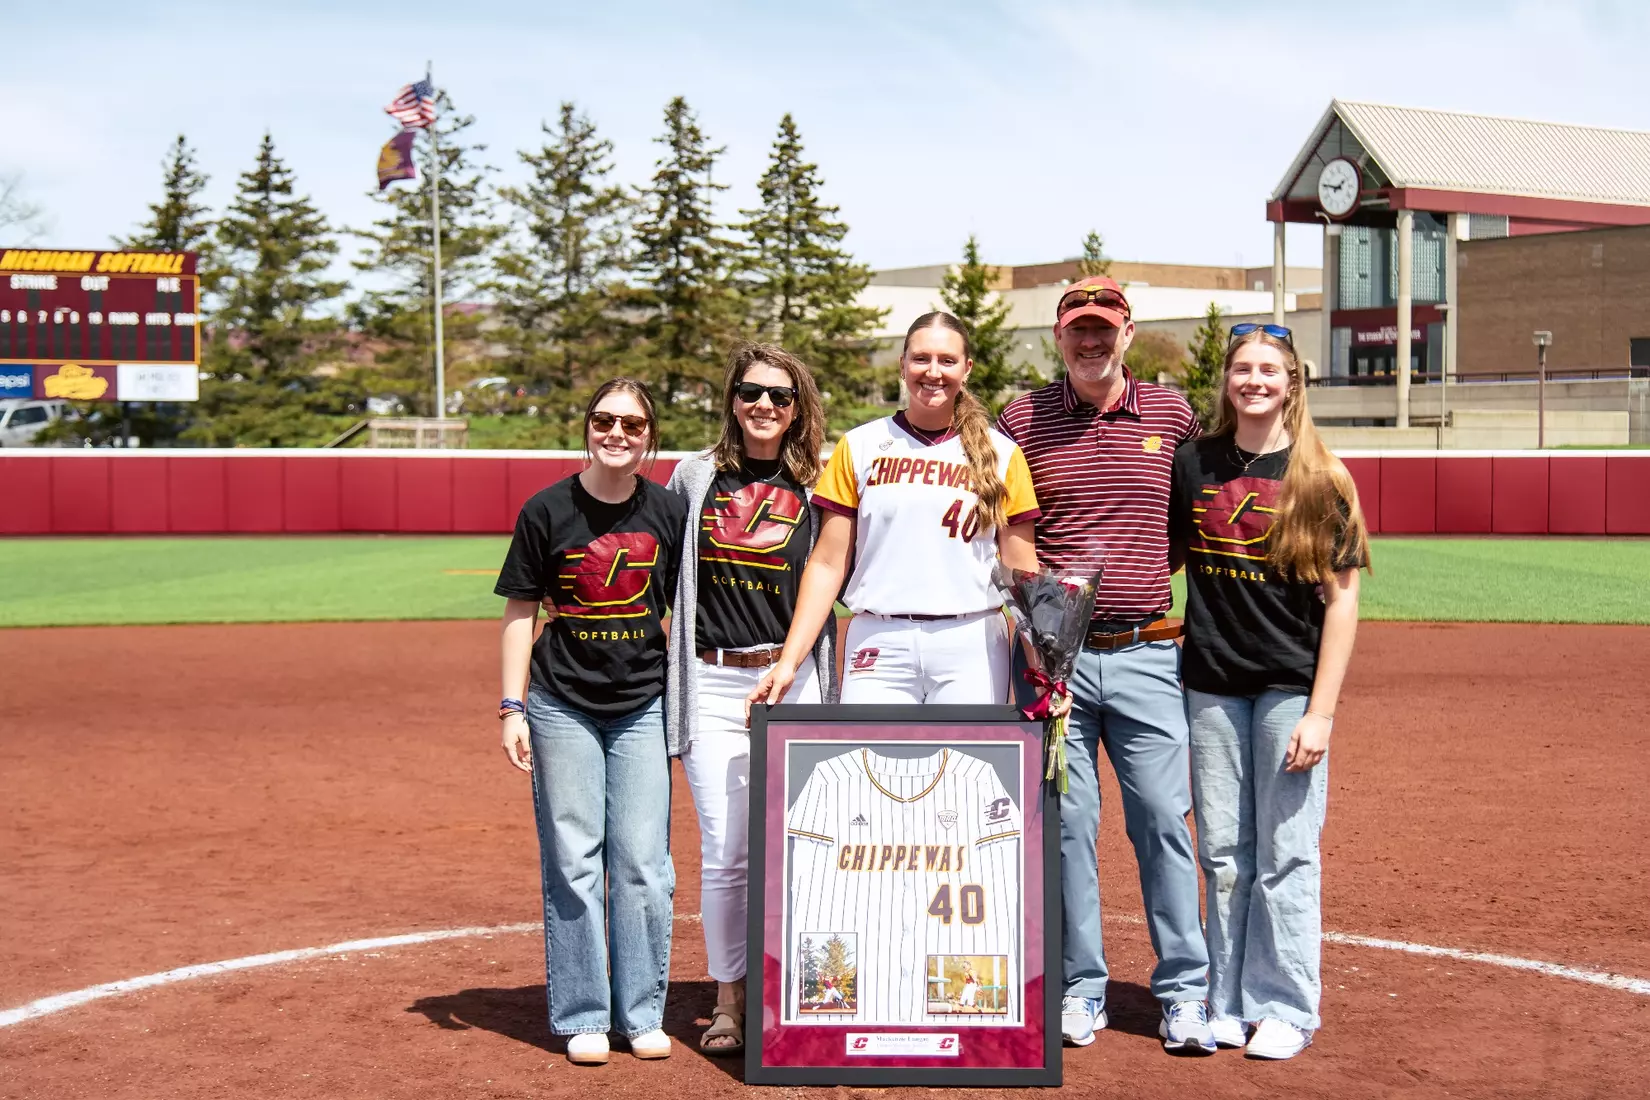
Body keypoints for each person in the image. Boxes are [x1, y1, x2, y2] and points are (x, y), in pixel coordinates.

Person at [995, 276, 1214, 1055]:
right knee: (1068, 828)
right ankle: (1082, 987)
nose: (1091, 342)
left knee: (1162, 819)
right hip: (1056, 660)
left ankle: (1185, 989)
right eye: (1077, 330)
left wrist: (1143, 579)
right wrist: (1037, 624)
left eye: (1104, 328)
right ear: (1058, 336)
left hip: (1148, 649)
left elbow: (1187, 526)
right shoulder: (1021, 418)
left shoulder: (1172, 412)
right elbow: (1009, 530)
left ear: (1127, 331)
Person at [1169, 323, 1368, 1060]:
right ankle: (1224, 999)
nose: (1254, 380)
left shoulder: (1322, 475)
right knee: (1223, 852)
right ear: (1227, 379)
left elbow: (1341, 602)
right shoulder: (1194, 463)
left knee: (1286, 853)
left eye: (1269, 370)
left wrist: (1321, 714)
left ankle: (1285, 1005)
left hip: (1288, 686)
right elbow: (1164, 560)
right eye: (1242, 368)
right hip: (1212, 685)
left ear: (1292, 382)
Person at [494, 378, 686, 1066]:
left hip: (641, 704)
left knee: (642, 864)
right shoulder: (546, 510)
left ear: (649, 436)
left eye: (632, 425)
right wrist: (511, 706)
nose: (617, 434)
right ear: (587, 426)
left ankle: (640, 1013)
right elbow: (521, 613)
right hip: (561, 703)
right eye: (605, 420)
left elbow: (685, 614)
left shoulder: (668, 510)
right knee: (573, 861)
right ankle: (583, 1012)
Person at [663, 343, 839, 1055]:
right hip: (711, 681)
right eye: (751, 391)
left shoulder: (821, 481)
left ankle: (806, 989)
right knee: (728, 849)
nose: (764, 405)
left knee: (810, 843)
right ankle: (730, 998)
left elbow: (841, 574)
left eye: (780, 395)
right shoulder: (694, 476)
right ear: (733, 399)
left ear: (800, 407)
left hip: (795, 677)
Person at [749, 312, 1040, 710]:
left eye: (947, 360)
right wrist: (789, 661)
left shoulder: (1003, 454)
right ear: (902, 365)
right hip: (878, 638)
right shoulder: (860, 445)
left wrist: (1044, 669)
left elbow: (1021, 573)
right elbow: (828, 564)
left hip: (971, 637)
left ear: (967, 369)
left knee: (963, 770)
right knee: (874, 769)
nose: (932, 371)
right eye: (920, 358)